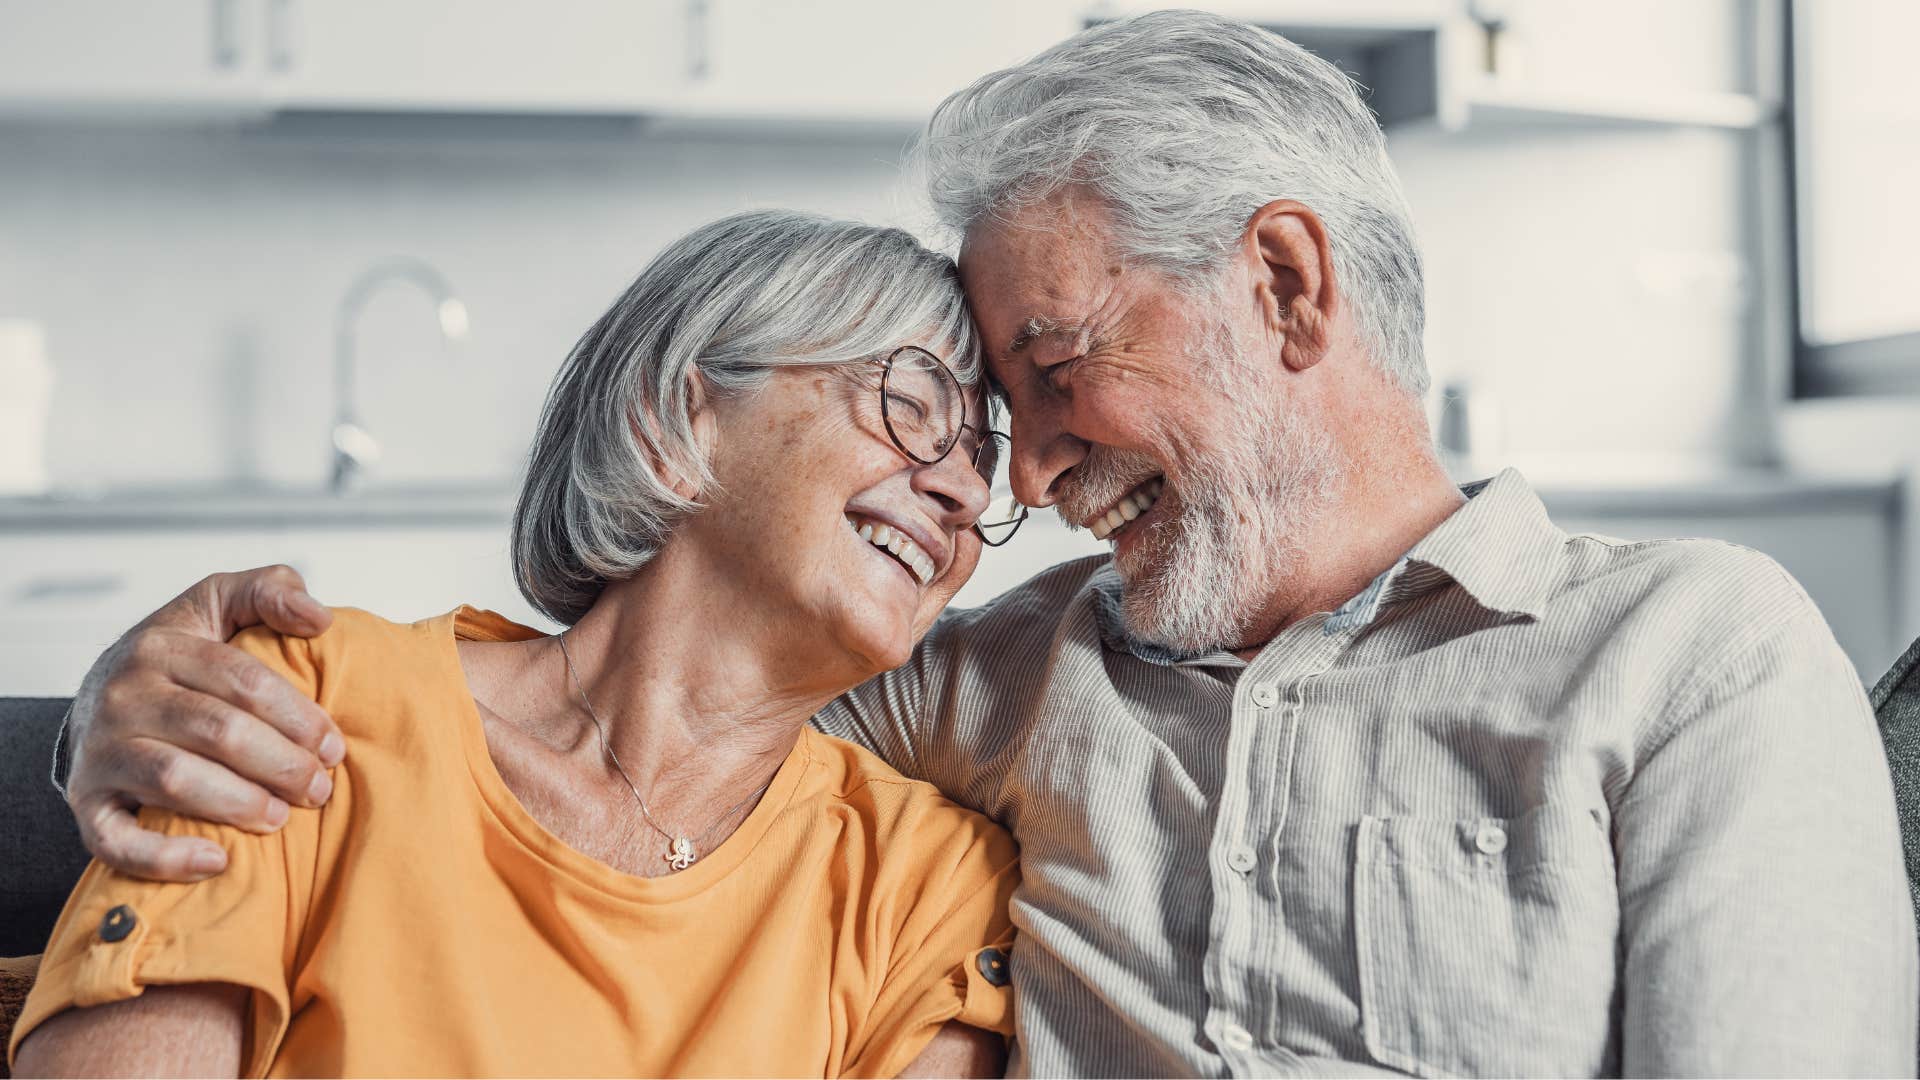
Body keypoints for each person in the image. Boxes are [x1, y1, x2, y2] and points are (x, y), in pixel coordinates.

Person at [43, 10, 1919, 1077]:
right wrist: (124, 700)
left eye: (1045, 369)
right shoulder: (984, 685)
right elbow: (638, 703)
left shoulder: (1692, 651)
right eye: (953, 412)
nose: (1009, 476)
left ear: (1280, 282)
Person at [9, 211, 1025, 1078]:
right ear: (678, 420)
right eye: (911, 408)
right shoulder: (307, 711)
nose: (966, 492)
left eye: (983, 462)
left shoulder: (928, 885)